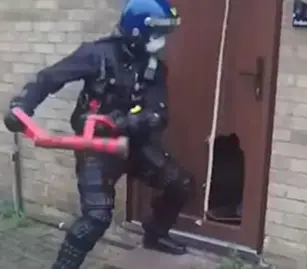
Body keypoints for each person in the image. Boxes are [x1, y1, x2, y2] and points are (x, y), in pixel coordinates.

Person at [3, 0, 193, 268]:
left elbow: (158, 114)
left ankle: (156, 234)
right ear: (138, 31)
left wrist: (123, 122)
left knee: (180, 184)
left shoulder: (154, 68)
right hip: (97, 146)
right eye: (157, 33)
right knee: (96, 217)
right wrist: (21, 106)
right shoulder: (97, 54)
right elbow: (49, 78)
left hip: (134, 144)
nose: (161, 40)